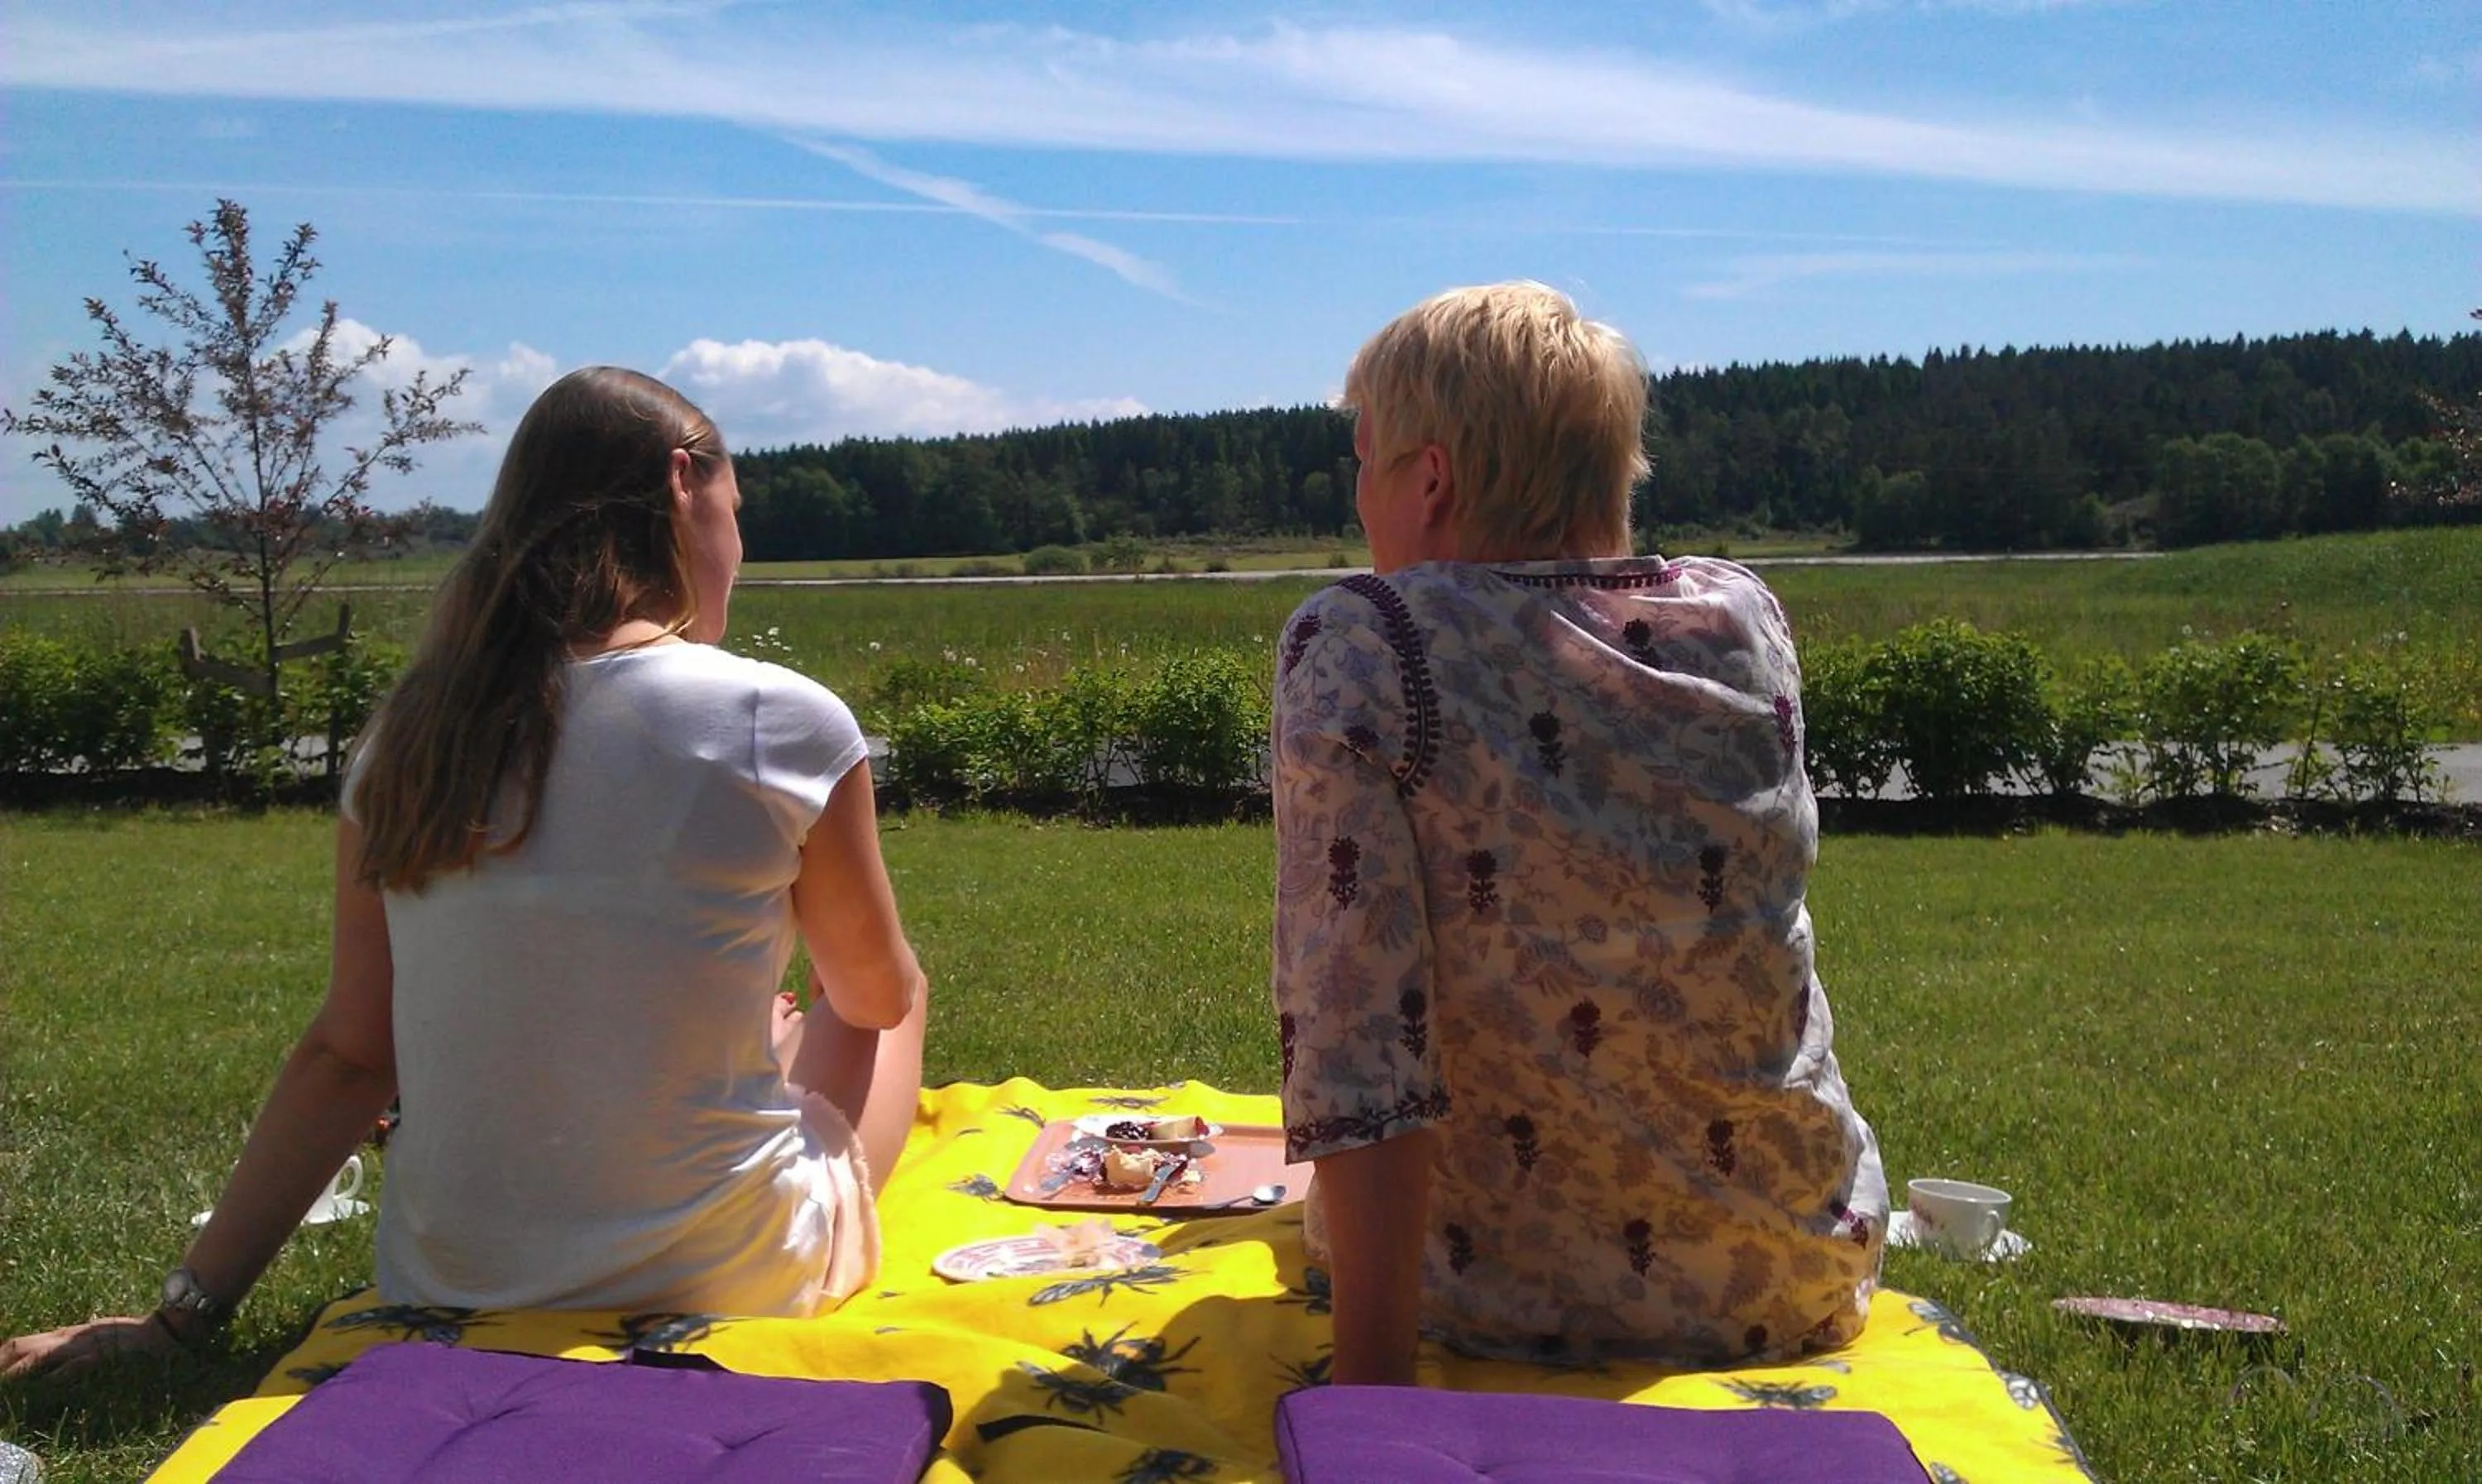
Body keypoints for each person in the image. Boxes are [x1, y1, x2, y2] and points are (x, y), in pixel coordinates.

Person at [2, 366, 928, 1379]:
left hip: (451, 1280)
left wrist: (178, 1318)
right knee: (892, 992)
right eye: (734, 511)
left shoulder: (412, 738)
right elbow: (872, 999)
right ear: (680, 483)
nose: (736, 547)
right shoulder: (779, 721)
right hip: (723, 1277)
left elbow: (351, 1056)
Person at [1271, 283, 1885, 1384]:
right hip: (1790, 1270)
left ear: (1430, 479)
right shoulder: (1743, 619)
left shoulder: (1366, 641)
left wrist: (1370, 1396)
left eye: (1363, 463)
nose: (1358, 498)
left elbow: (1355, 1034)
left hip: (1493, 1292)